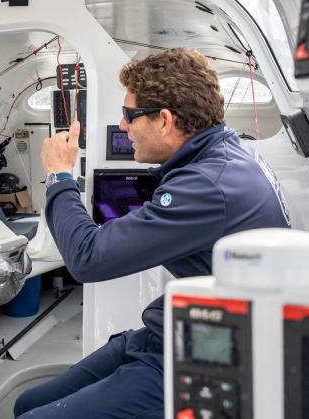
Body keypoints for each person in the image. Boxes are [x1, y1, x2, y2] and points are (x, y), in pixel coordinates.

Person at [15, 48, 290, 418]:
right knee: (26, 403)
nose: (123, 126)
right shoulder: (224, 155)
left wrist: (59, 176)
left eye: (129, 115)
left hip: (206, 357)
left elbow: (87, 258)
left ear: (164, 120)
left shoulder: (209, 184)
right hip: (181, 328)